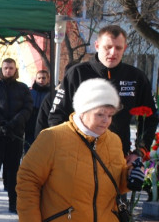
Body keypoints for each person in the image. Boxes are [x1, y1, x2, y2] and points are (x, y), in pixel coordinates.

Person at [17, 79, 145, 222]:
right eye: (100, 114)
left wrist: (130, 176)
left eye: (110, 115)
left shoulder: (114, 141)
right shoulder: (53, 138)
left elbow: (113, 184)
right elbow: (28, 182)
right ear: (83, 110)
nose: (106, 120)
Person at [48, 25, 158, 162]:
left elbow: (150, 117)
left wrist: (140, 150)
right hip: (79, 157)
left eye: (118, 48)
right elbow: (57, 116)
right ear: (97, 45)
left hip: (118, 157)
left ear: (125, 48)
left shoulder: (136, 77)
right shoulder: (77, 74)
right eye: (108, 47)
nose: (113, 53)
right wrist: (65, 149)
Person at [0, 58, 33, 214]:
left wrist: (14, 123)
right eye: (6, 68)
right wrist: (0, 123)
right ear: (2, 69)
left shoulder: (23, 88)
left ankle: (13, 201)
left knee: (13, 171)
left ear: (15, 69)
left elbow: (27, 108)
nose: (8, 70)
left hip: (15, 134)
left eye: (11, 68)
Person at [25, 69, 50, 151]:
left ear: (48, 79)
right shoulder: (29, 92)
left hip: (45, 125)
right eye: (39, 78)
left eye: (43, 78)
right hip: (30, 125)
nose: (41, 80)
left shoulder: (51, 93)